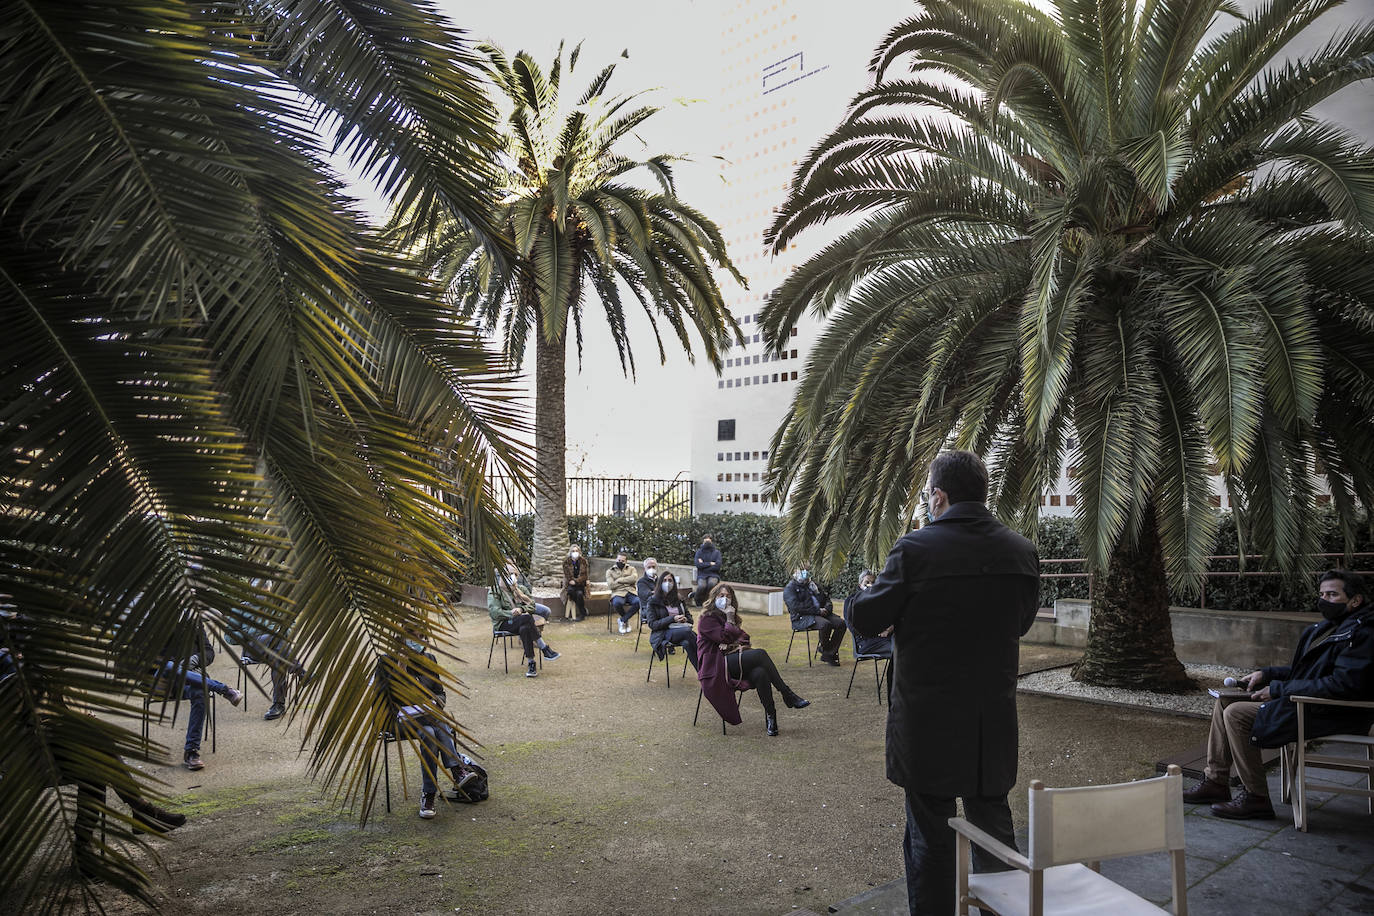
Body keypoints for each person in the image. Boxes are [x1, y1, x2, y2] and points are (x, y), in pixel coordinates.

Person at [850, 449, 1039, 916]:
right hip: (989, 725)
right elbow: (1022, 622)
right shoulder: (1021, 551)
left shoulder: (915, 549)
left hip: (927, 724)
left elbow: (868, 618)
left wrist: (861, 592)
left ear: (939, 496)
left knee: (930, 839)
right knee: (994, 829)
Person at [1183, 568, 1374, 819]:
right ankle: (1216, 782)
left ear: (1355, 600)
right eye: (1322, 594)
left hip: (1333, 712)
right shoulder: (1332, 627)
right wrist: (1267, 674)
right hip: (1313, 704)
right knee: (1226, 700)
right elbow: (1306, 672)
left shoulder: (1363, 633)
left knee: (1237, 715)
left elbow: (1343, 685)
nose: (1324, 600)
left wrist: (1279, 689)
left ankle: (1256, 797)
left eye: (1332, 595)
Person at [373, 634, 481, 819]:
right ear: (401, 639)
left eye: (424, 637)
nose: (421, 641)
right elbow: (380, 699)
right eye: (415, 637)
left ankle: (428, 794)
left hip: (427, 719)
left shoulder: (429, 660)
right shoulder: (385, 661)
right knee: (437, 721)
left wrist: (434, 703)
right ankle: (456, 771)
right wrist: (401, 667)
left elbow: (440, 694)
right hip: (396, 720)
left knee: (430, 732)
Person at [697, 583, 809, 736]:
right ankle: (787, 694)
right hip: (716, 666)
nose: (725, 599)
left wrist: (734, 644)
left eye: (728, 596)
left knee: (760, 672)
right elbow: (723, 637)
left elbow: (743, 638)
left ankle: (771, 717)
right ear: (713, 598)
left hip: (733, 660)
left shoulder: (732, 616)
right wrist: (729, 621)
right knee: (760, 654)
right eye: (721, 596)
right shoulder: (707, 618)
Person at [154, 613, 244, 771]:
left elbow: (209, 652)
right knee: (169, 667)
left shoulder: (195, 623)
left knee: (200, 693)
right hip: (166, 680)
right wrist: (179, 666)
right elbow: (153, 657)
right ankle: (223, 689)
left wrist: (192, 661)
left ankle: (191, 752)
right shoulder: (161, 618)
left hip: (193, 677)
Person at [228, 612, 305, 722]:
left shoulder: (279, 604)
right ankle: (300, 672)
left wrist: (283, 632)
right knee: (276, 641)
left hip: (276, 650)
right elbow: (228, 637)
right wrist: (248, 634)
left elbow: (292, 626)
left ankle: (278, 705)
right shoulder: (242, 607)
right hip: (253, 650)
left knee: (277, 657)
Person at [489, 566, 560, 677]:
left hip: (521, 621)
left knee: (525, 627)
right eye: (509, 574)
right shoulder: (495, 591)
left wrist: (521, 609)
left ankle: (531, 664)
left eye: (515, 574)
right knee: (527, 618)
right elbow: (494, 612)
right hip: (504, 623)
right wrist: (512, 613)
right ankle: (544, 648)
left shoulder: (521, 589)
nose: (513, 577)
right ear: (502, 576)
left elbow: (532, 605)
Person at [784, 562, 847, 666]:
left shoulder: (813, 585)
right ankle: (828, 652)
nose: (805, 572)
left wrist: (827, 608)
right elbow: (796, 607)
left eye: (807, 570)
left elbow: (827, 599)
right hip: (803, 617)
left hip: (822, 613)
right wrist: (817, 611)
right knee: (825, 624)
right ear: (794, 571)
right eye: (802, 569)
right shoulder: (790, 588)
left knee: (841, 624)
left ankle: (827, 652)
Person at [644, 571, 699, 670]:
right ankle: (707, 668)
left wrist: (685, 619)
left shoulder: (679, 599)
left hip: (682, 630)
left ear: (674, 583)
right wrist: (672, 619)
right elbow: (652, 624)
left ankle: (702, 673)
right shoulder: (653, 601)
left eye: (670, 580)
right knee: (690, 634)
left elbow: (690, 620)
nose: (667, 583)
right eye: (664, 580)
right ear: (660, 583)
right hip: (663, 633)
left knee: (687, 642)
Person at [844, 569, 893, 659]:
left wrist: (889, 629)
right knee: (898, 649)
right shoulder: (851, 601)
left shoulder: (880, 600)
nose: (870, 585)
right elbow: (852, 627)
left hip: (884, 638)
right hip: (865, 643)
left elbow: (890, 618)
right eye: (867, 582)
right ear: (860, 585)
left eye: (873, 583)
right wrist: (877, 633)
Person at [607, 551, 641, 634]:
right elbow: (611, 585)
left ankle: (622, 620)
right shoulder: (610, 571)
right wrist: (626, 582)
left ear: (626, 561)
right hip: (618, 593)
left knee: (639, 602)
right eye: (619, 560)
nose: (620, 562)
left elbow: (634, 578)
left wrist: (619, 580)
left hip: (631, 592)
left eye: (622, 561)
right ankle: (625, 621)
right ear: (616, 559)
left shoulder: (632, 569)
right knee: (617, 603)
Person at [692, 535, 723, 607]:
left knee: (712, 584)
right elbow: (698, 565)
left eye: (708, 541)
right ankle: (698, 601)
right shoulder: (699, 552)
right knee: (702, 586)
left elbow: (717, 566)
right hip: (701, 575)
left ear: (712, 541)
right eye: (705, 541)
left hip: (713, 574)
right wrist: (710, 564)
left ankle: (708, 602)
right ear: (703, 542)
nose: (707, 543)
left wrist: (703, 565)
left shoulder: (717, 552)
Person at [563, 545, 590, 621]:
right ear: (570, 552)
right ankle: (583, 610)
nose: (575, 553)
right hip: (570, 584)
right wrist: (571, 581)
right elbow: (567, 575)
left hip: (580, 584)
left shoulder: (583, 561)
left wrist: (576, 581)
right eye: (573, 551)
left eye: (576, 551)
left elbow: (585, 575)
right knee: (571, 591)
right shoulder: (566, 562)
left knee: (579, 594)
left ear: (579, 552)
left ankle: (582, 614)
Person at [636, 557, 661, 629]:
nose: (651, 569)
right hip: (647, 608)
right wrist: (660, 593)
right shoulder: (641, 582)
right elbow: (646, 595)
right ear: (645, 568)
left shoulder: (660, 580)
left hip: (661, 606)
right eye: (649, 567)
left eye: (653, 567)